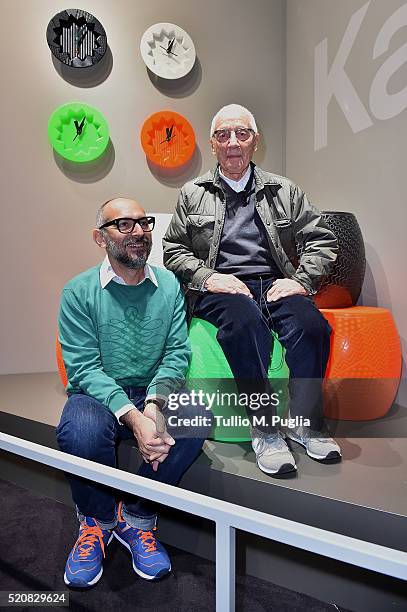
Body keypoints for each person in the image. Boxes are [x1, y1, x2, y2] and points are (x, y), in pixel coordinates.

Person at [163, 103, 342, 478]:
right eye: (223, 135)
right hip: (222, 287)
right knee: (245, 326)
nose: (233, 143)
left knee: (314, 327)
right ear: (213, 144)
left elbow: (322, 240)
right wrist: (208, 278)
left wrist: (301, 281)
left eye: (241, 134)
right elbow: (173, 249)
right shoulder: (192, 193)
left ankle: (306, 423)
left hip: (276, 282)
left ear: (254, 142)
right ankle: (265, 430)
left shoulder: (284, 190)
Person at [56, 197, 205, 589]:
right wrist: (134, 416)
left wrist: (154, 404)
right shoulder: (78, 292)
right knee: (80, 431)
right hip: (100, 392)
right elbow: (84, 368)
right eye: (123, 224)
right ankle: (97, 521)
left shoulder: (169, 284)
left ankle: (136, 517)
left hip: (153, 388)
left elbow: (176, 353)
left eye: (144, 222)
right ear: (99, 238)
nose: (138, 231)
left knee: (197, 416)